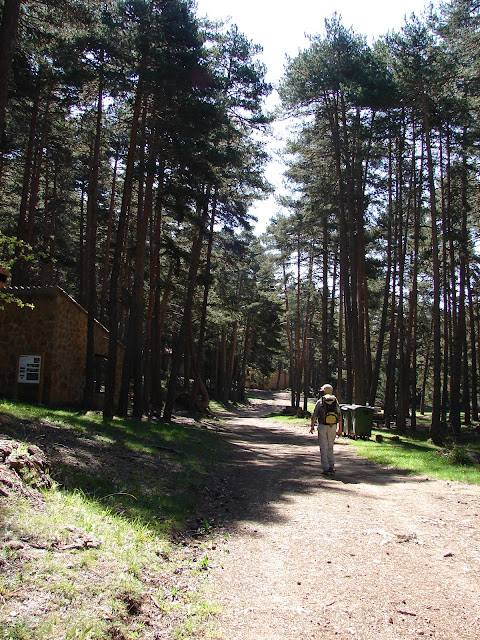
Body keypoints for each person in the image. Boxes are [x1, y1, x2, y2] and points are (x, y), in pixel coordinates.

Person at [310, 383, 341, 474]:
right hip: (333, 426)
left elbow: (314, 415)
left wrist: (312, 426)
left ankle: (325, 467)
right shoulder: (335, 402)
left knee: (323, 447)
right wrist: (340, 429)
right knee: (330, 446)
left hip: (322, 426)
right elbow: (339, 416)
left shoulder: (320, 401)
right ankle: (331, 465)